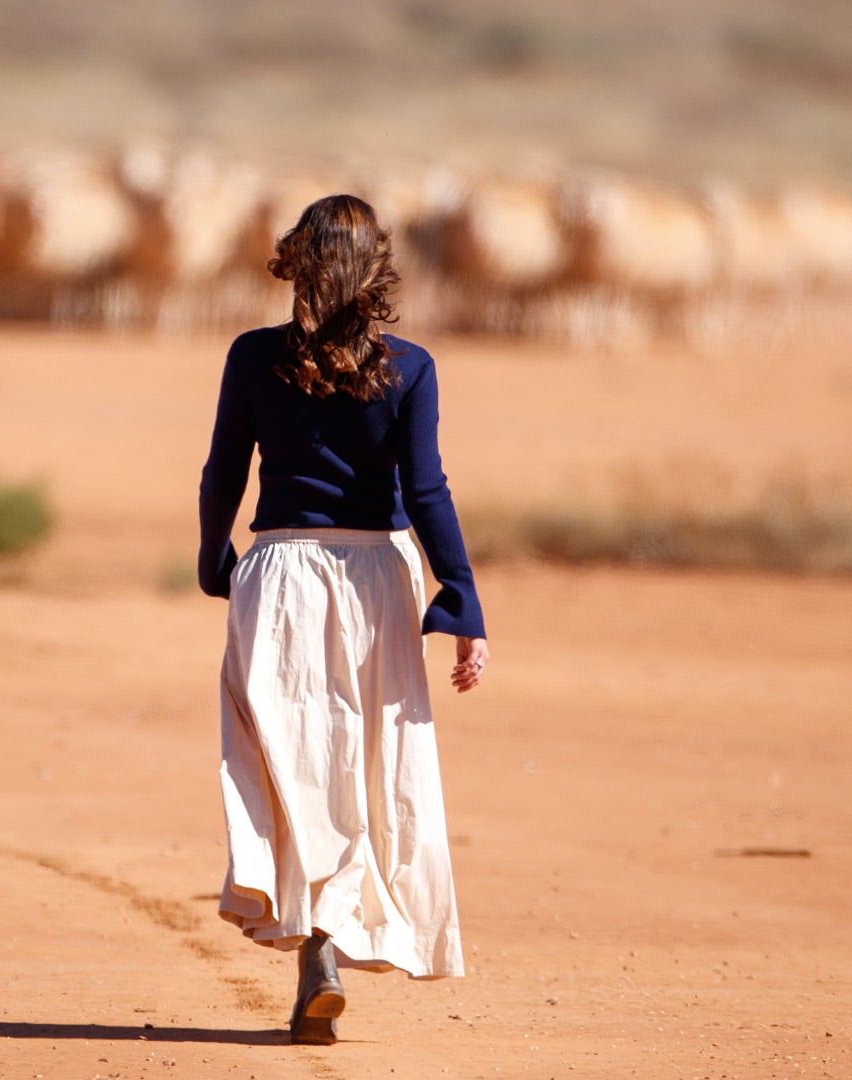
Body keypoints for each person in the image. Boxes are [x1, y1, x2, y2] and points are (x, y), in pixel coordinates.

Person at [197, 193, 488, 1045]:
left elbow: (223, 471)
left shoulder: (253, 357)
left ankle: (313, 944)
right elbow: (427, 489)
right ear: (377, 269)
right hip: (378, 577)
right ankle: (334, 935)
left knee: (290, 764)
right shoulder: (411, 366)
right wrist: (461, 595)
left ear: (295, 260)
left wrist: (216, 554)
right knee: (369, 762)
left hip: (278, 568)